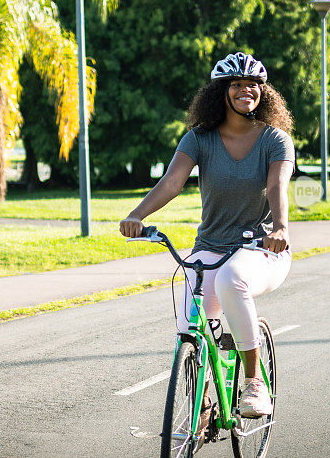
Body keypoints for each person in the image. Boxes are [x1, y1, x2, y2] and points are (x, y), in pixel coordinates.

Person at [119, 52, 294, 418]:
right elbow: (171, 183)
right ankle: (198, 408)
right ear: (221, 92)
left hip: (261, 248)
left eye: (253, 85)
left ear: (264, 92)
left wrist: (280, 227)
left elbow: (278, 185)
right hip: (210, 247)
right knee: (190, 328)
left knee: (232, 282)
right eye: (236, 85)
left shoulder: (275, 140)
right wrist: (137, 215)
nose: (246, 90)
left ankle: (254, 384)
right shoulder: (199, 139)